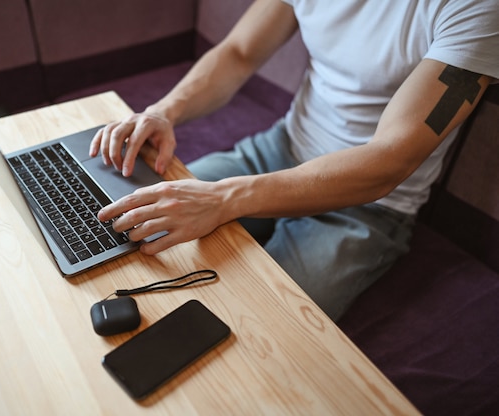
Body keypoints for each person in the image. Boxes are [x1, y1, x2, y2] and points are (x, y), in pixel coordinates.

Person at [89, 0, 499, 320]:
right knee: (121, 226)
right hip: (278, 151)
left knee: (252, 321)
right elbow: (238, 52)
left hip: (367, 206)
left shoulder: (477, 9)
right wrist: (166, 109)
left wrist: (224, 199)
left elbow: (389, 160)